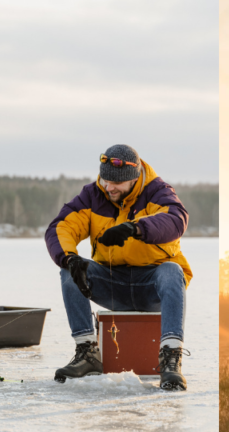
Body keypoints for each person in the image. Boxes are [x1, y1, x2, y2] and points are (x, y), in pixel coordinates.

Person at [45, 144, 192, 390]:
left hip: (152, 286)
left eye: (116, 183)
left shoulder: (157, 191)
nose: (109, 187)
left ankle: (170, 360)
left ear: (135, 178)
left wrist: (135, 228)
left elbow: (176, 220)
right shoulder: (93, 195)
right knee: (70, 269)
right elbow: (61, 226)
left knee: (172, 270)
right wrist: (70, 258)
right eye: (105, 180)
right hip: (113, 283)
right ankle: (87, 353)